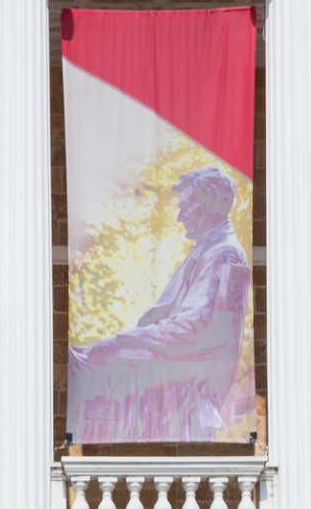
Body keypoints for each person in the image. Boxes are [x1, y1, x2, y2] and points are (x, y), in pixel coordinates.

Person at [68, 165, 251, 442]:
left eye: (187, 206)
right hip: (175, 366)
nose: (180, 216)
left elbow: (192, 329)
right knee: (77, 358)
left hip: (183, 377)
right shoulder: (208, 250)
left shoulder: (223, 253)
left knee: (81, 364)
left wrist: (122, 341)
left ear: (212, 205)